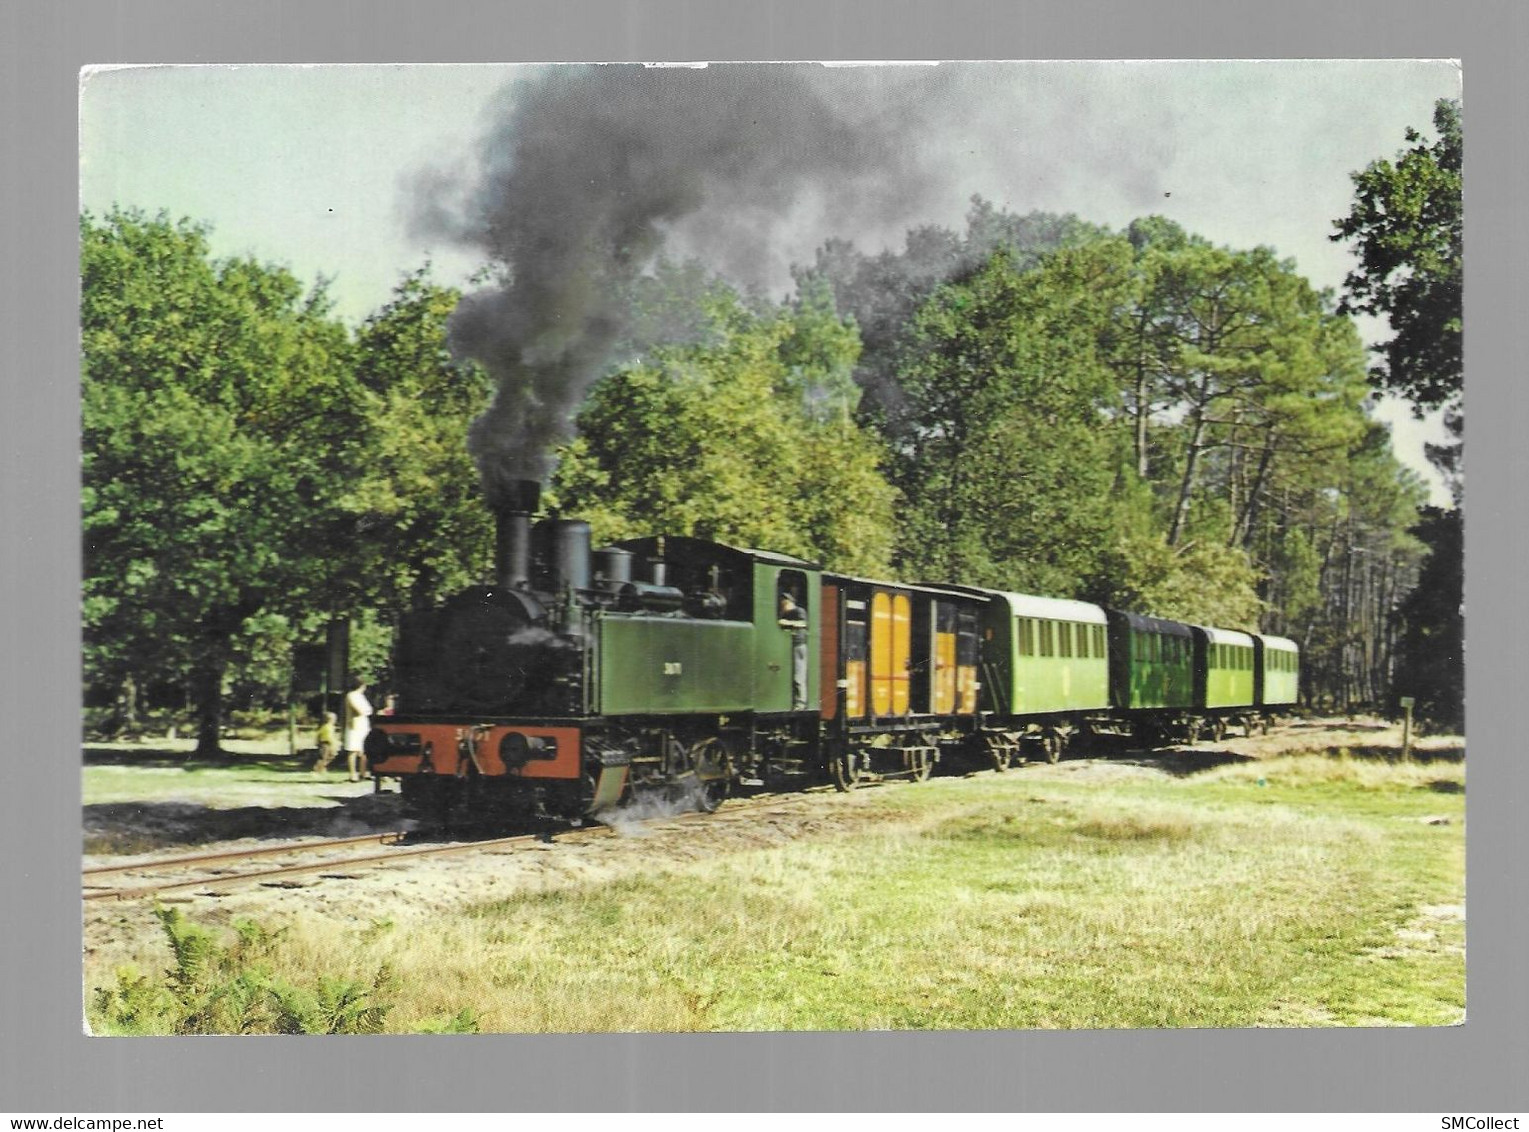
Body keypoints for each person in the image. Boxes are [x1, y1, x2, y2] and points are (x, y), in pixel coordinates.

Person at [778, 591, 809, 710]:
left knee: (798, 675)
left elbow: (803, 623)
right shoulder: (785, 614)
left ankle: (801, 703)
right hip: (790, 646)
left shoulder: (798, 611)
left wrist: (787, 623)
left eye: (784, 603)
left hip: (799, 645)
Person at [343, 678, 373, 782]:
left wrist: (365, 711)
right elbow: (360, 710)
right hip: (354, 724)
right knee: (353, 750)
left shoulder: (361, 696)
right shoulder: (351, 695)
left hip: (363, 724)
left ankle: (363, 773)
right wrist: (365, 710)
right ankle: (352, 774)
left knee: (364, 749)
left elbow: (369, 710)